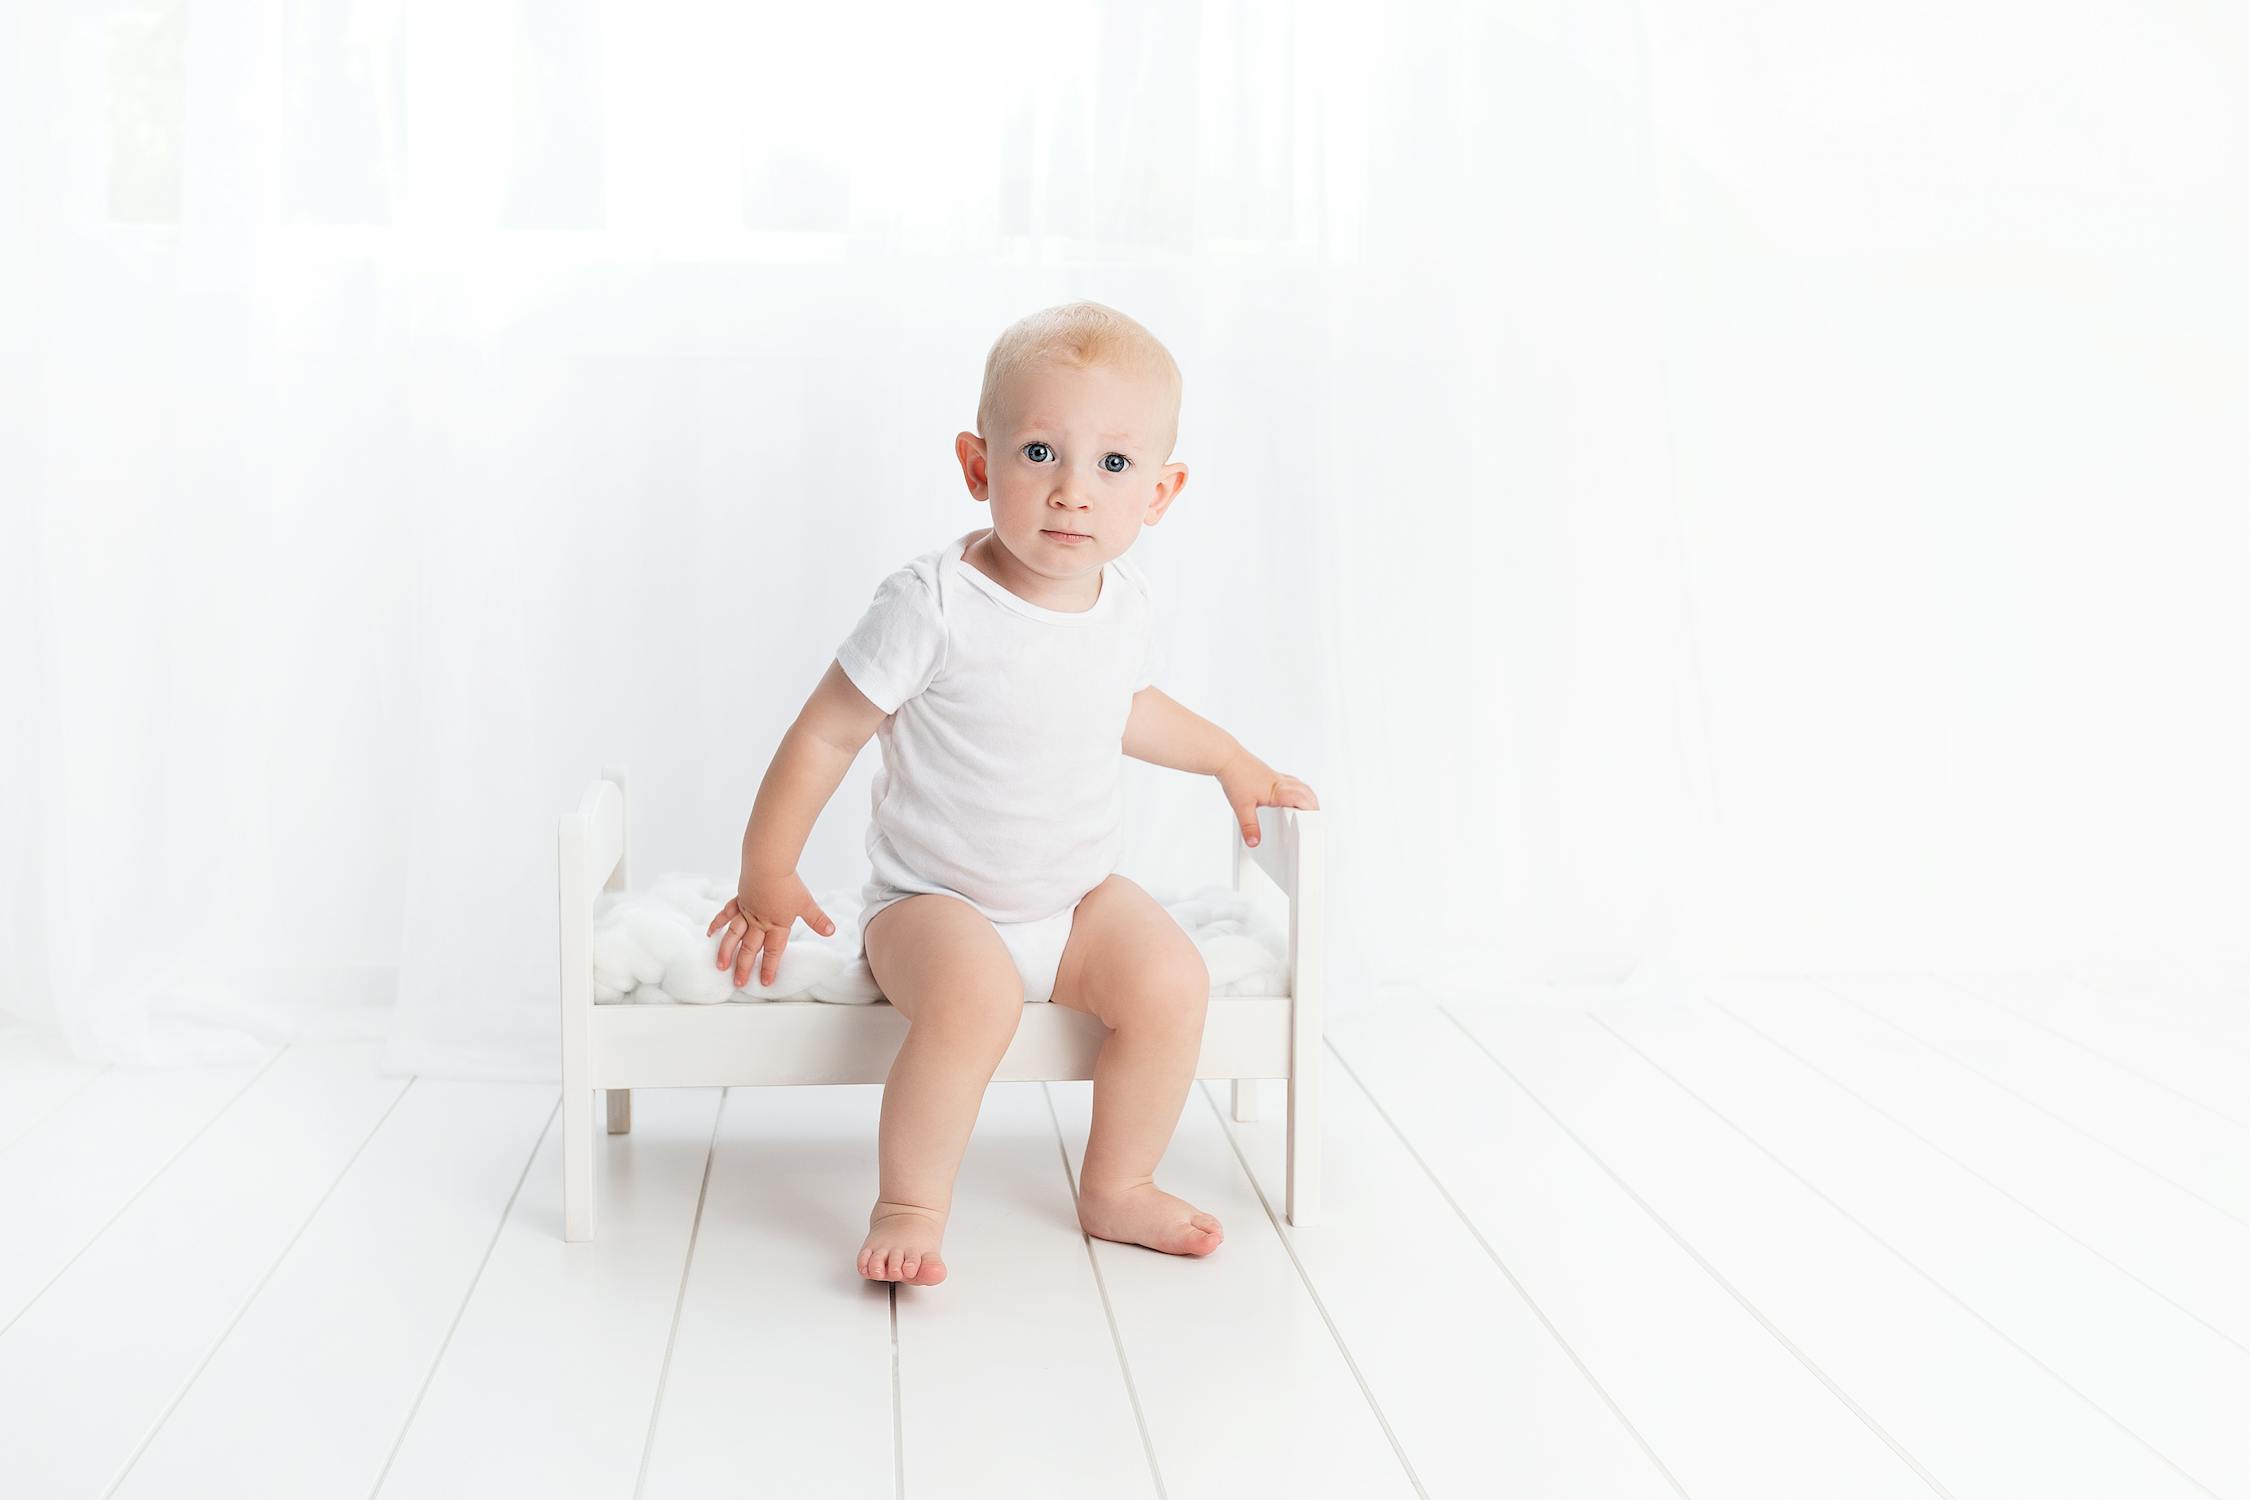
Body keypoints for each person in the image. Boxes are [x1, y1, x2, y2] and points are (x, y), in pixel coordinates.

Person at [705, 300, 1318, 1286]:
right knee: (976, 1000)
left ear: (1159, 492)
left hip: (1073, 899)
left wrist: (1230, 760)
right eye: (1040, 452)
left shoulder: (1122, 606)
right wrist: (765, 868)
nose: (1074, 491)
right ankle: (910, 1201)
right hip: (931, 904)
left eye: (1113, 465)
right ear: (979, 465)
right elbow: (826, 731)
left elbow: (1129, 707)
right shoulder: (934, 604)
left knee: (1173, 985)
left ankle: (1118, 1184)